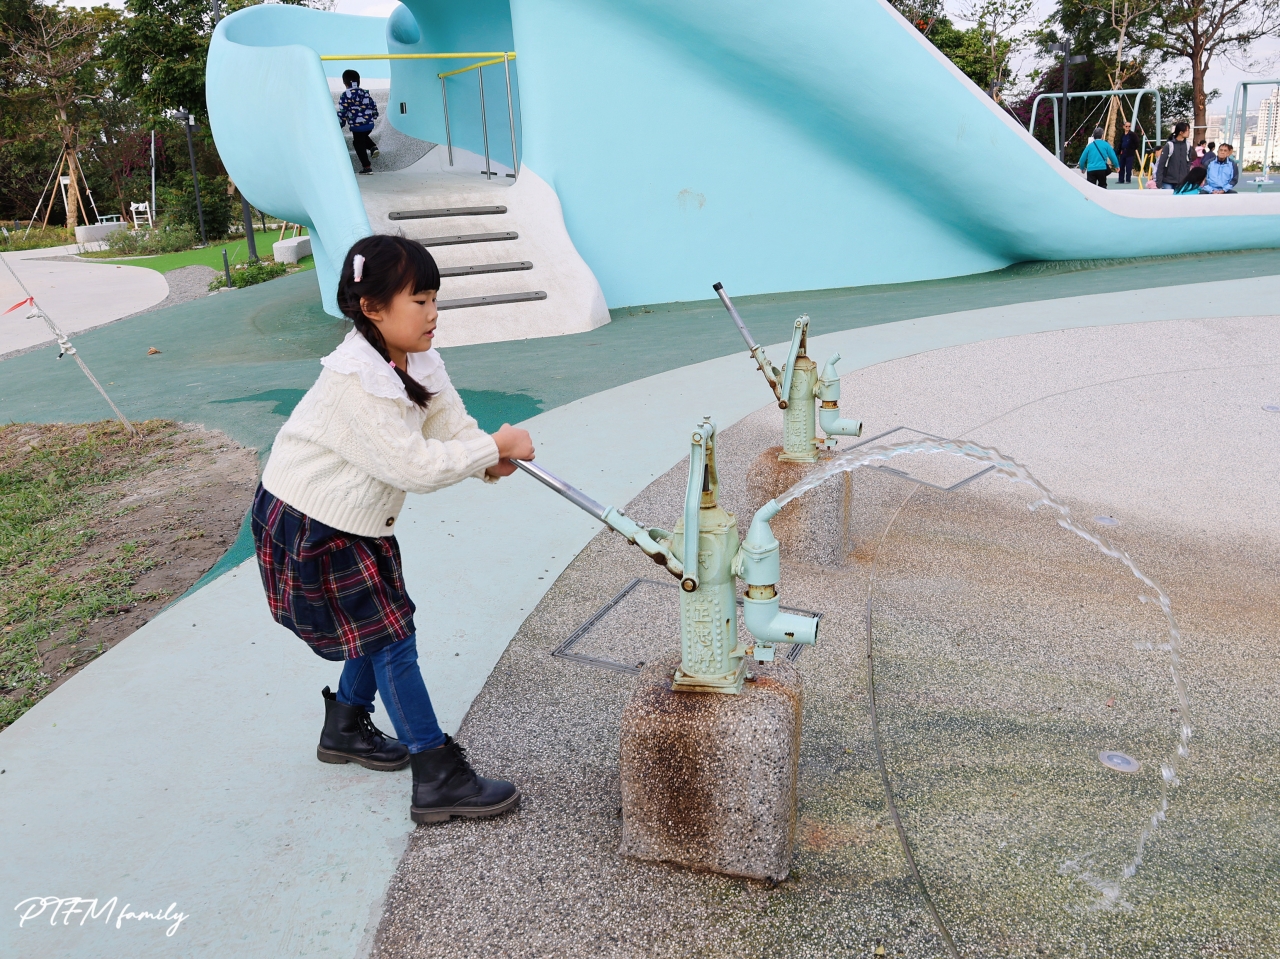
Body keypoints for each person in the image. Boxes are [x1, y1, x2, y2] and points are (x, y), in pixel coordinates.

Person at [251, 234, 533, 824]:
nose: (432, 314)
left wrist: (490, 458)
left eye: (434, 299)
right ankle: (437, 774)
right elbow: (413, 466)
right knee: (390, 637)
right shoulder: (359, 379)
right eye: (418, 301)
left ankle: (346, 728)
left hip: (353, 520)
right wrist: (492, 447)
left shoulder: (416, 357)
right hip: (311, 521)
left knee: (379, 628)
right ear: (372, 309)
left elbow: (452, 428)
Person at [337, 69, 380, 175]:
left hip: (357, 126)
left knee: (357, 143)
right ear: (358, 81)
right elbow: (373, 105)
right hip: (369, 124)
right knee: (363, 137)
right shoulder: (365, 93)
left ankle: (367, 167)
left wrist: (340, 124)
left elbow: (343, 111)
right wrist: (374, 115)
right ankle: (372, 147)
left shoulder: (345, 95)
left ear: (345, 82)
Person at [1155, 122, 1196, 191]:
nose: (1189, 132)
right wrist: (1159, 182)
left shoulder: (1188, 145)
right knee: (1168, 200)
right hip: (1168, 181)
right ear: (1181, 132)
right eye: (1187, 130)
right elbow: (1161, 164)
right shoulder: (1169, 145)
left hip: (1182, 181)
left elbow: (1188, 163)